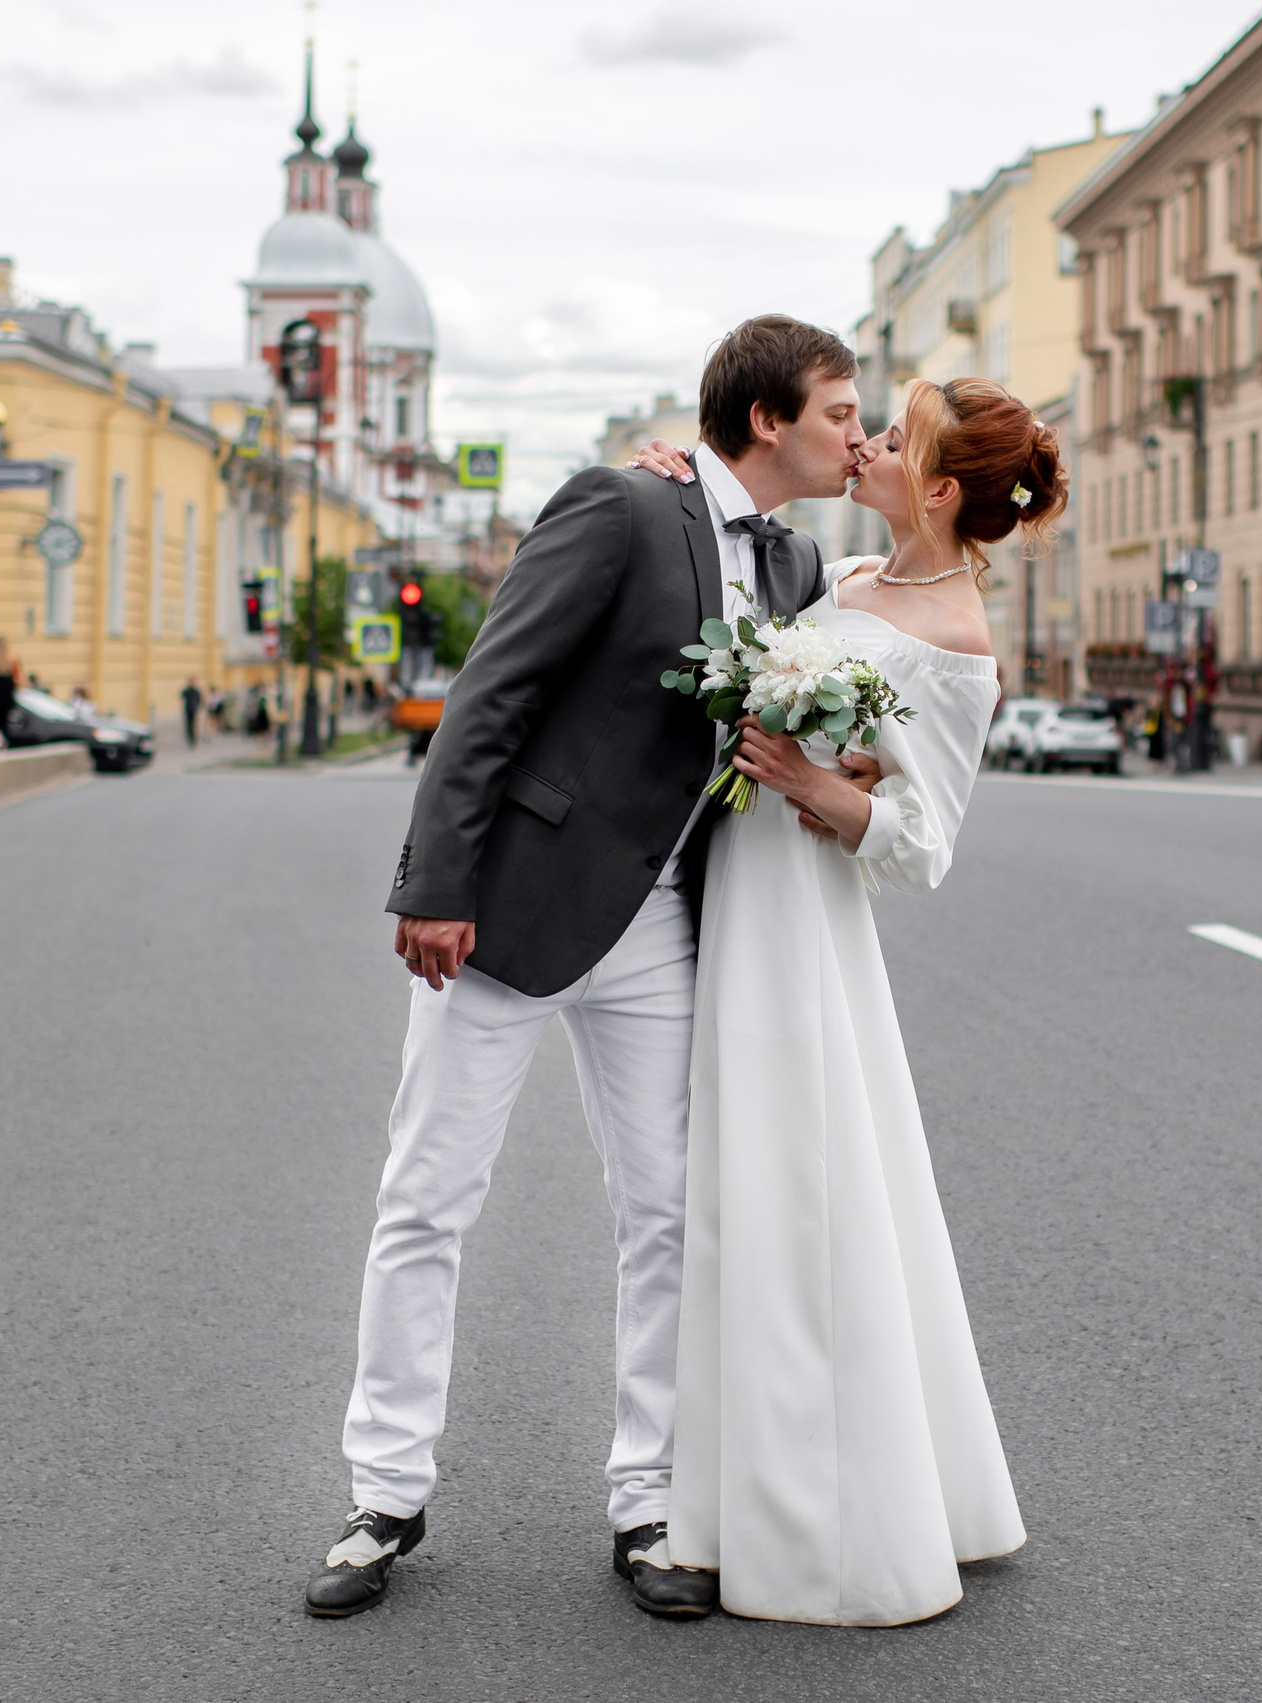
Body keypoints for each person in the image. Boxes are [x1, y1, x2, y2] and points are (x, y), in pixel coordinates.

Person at [309, 316, 871, 1622]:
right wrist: (435, 881)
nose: (858, 432)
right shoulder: (622, 505)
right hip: (509, 912)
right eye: (842, 411)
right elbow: (493, 685)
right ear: (769, 418)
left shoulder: (791, 560)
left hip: (666, 922)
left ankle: (650, 1502)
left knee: (672, 1213)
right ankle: (382, 1492)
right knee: (428, 1196)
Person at [628, 375, 1040, 1626]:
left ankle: (819, 1525)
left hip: (806, 928)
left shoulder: (958, 639)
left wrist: (813, 781)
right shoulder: (846, 576)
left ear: (944, 488)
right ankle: (717, 1491)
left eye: (893, 439)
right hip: (734, 890)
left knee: (799, 1197)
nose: (862, 443)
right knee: (732, 1196)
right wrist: (674, 474)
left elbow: (921, 845)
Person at [180, 678, 204, 749]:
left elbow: (182, 697)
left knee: (191, 725)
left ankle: (192, 739)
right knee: (191, 725)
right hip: (191, 709)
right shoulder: (194, 691)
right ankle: (192, 739)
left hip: (190, 709)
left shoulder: (190, 691)